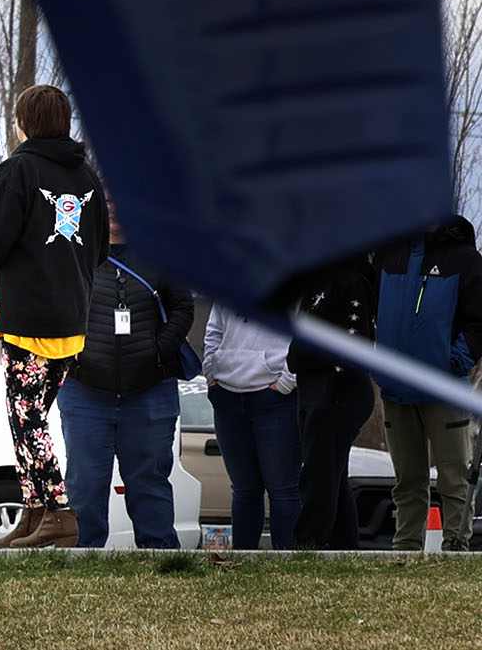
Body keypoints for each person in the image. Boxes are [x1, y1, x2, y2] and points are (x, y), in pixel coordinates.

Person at [0, 82, 100, 549]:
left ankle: (60, 514)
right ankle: (34, 512)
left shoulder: (16, 171)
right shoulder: (86, 177)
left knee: (26, 421)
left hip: (28, 320)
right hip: (72, 319)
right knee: (29, 417)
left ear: (24, 123)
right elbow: (101, 248)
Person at [59, 200, 191, 550]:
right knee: (85, 485)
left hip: (150, 390)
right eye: (106, 201)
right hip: (84, 390)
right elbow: (52, 303)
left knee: (150, 484)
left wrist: (157, 350)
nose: (115, 208)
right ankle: (83, 562)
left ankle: (162, 559)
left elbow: (183, 307)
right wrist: (75, 356)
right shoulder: (73, 250)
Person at [369, 215, 480, 553]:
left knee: (454, 475)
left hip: (444, 389)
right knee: (407, 479)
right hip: (395, 389)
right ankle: (406, 547)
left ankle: (456, 544)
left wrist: (450, 363)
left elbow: (479, 324)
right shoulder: (389, 254)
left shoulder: (465, 260)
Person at [287, 251, 379, 550]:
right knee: (332, 476)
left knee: (318, 475)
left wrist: (336, 387)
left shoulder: (351, 281)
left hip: (337, 388)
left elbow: (356, 339)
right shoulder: (315, 283)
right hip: (311, 385)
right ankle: (343, 545)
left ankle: (308, 544)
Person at [204, 304, 300, 551]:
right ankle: (242, 561)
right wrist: (210, 372)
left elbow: (307, 332)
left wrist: (287, 382)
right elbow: (214, 329)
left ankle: (288, 566)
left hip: (276, 396)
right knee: (244, 489)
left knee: (283, 489)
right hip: (226, 393)